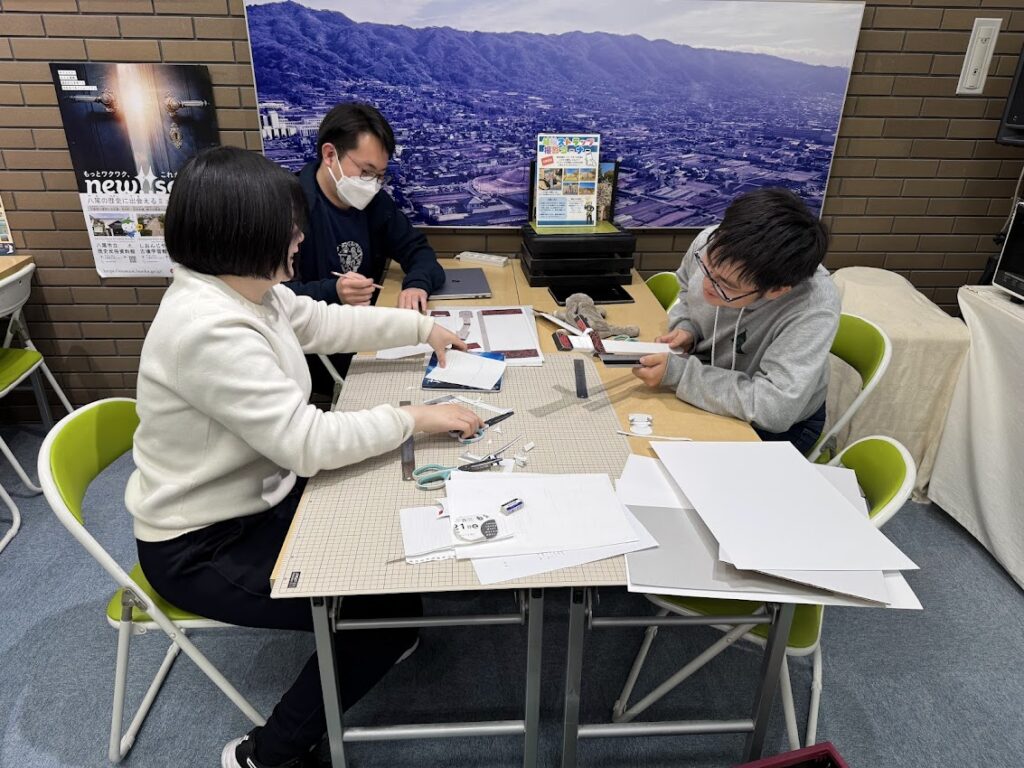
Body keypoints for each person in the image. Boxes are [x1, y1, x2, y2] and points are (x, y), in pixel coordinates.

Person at [125, 146, 484, 768]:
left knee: (388, 556)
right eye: (289, 228)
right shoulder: (207, 326)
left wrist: (421, 329)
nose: (300, 238)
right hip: (200, 545)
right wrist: (414, 417)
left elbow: (325, 323)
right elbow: (309, 444)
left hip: (262, 499)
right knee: (380, 611)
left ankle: (373, 641)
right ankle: (269, 754)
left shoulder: (250, 293)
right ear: (243, 234)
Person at [633, 188, 839, 454]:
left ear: (777, 290)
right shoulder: (712, 241)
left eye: (726, 286)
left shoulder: (812, 306)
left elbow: (775, 408)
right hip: (709, 378)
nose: (706, 286)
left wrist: (681, 374)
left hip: (775, 425)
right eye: (707, 268)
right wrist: (688, 328)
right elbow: (685, 289)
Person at [288, 102, 446, 391]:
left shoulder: (374, 204)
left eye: (379, 176)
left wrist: (417, 284)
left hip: (371, 342)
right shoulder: (289, 207)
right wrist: (333, 291)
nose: (372, 184)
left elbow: (418, 251)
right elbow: (270, 298)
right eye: (365, 171)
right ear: (330, 155)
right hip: (315, 362)